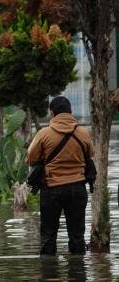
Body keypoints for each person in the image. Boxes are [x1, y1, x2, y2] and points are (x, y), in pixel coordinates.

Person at [25, 96, 94, 255]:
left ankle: (50, 276)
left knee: (48, 237)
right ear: (70, 112)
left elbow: (30, 158)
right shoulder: (83, 133)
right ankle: (78, 275)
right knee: (77, 238)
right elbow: (91, 153)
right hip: (77, 188)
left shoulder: (44, 134)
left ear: (52, 113)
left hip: (51, 189)